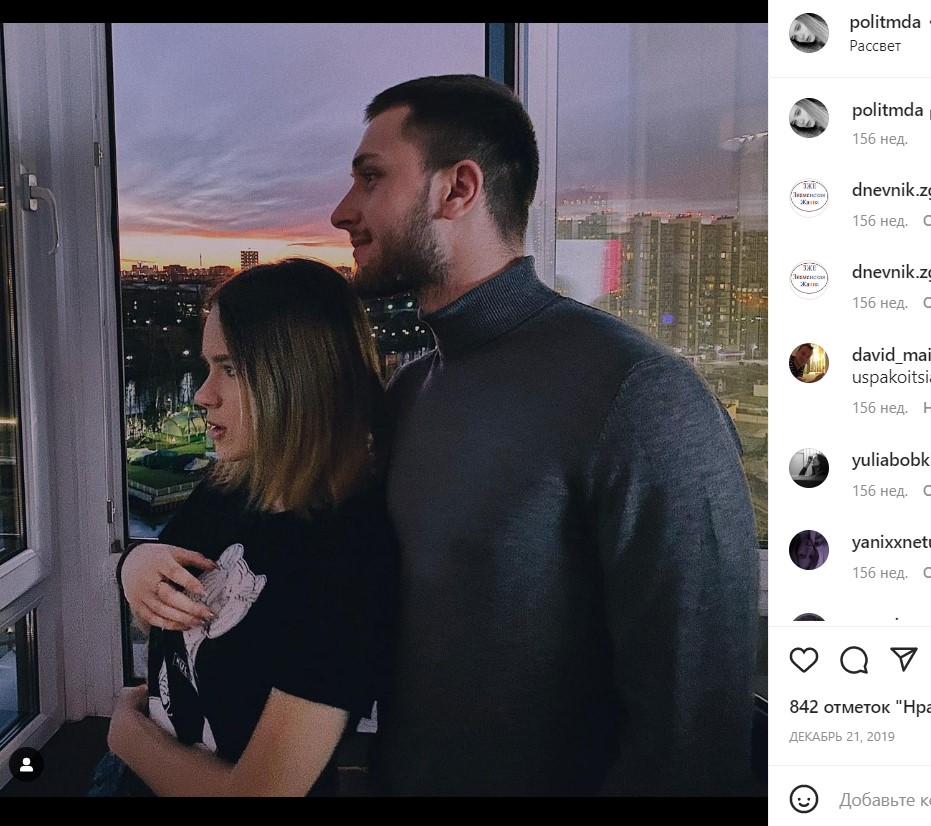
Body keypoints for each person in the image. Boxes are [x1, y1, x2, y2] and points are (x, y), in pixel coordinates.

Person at [120, 74, 758, 797]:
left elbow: (694, 731)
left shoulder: (639, 395)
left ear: (457, 190)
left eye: (370, 178)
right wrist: (138, 563)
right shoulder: (411, 389)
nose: (341, 211)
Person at [95, 259, 398, 796]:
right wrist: (134, 566)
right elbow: (161, 605)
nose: (202, 394)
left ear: (300, 378)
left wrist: (126, 733)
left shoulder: (346, 561)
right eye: (209, 366)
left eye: (230, 368)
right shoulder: (231, 485)